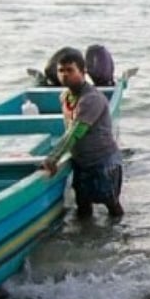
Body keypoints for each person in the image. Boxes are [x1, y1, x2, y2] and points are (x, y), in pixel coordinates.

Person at [40, 47, 124, 218]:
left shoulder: (91, 99)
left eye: (70, 70)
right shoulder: (65, 97)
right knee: (83, 207)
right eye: (60, 71)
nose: (64, 75)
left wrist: (53, 157)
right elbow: (69, 128)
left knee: (112, 206)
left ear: (83, 71)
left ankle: (120, 239)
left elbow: (75, 132)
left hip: (103, 161)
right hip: (81, 162)